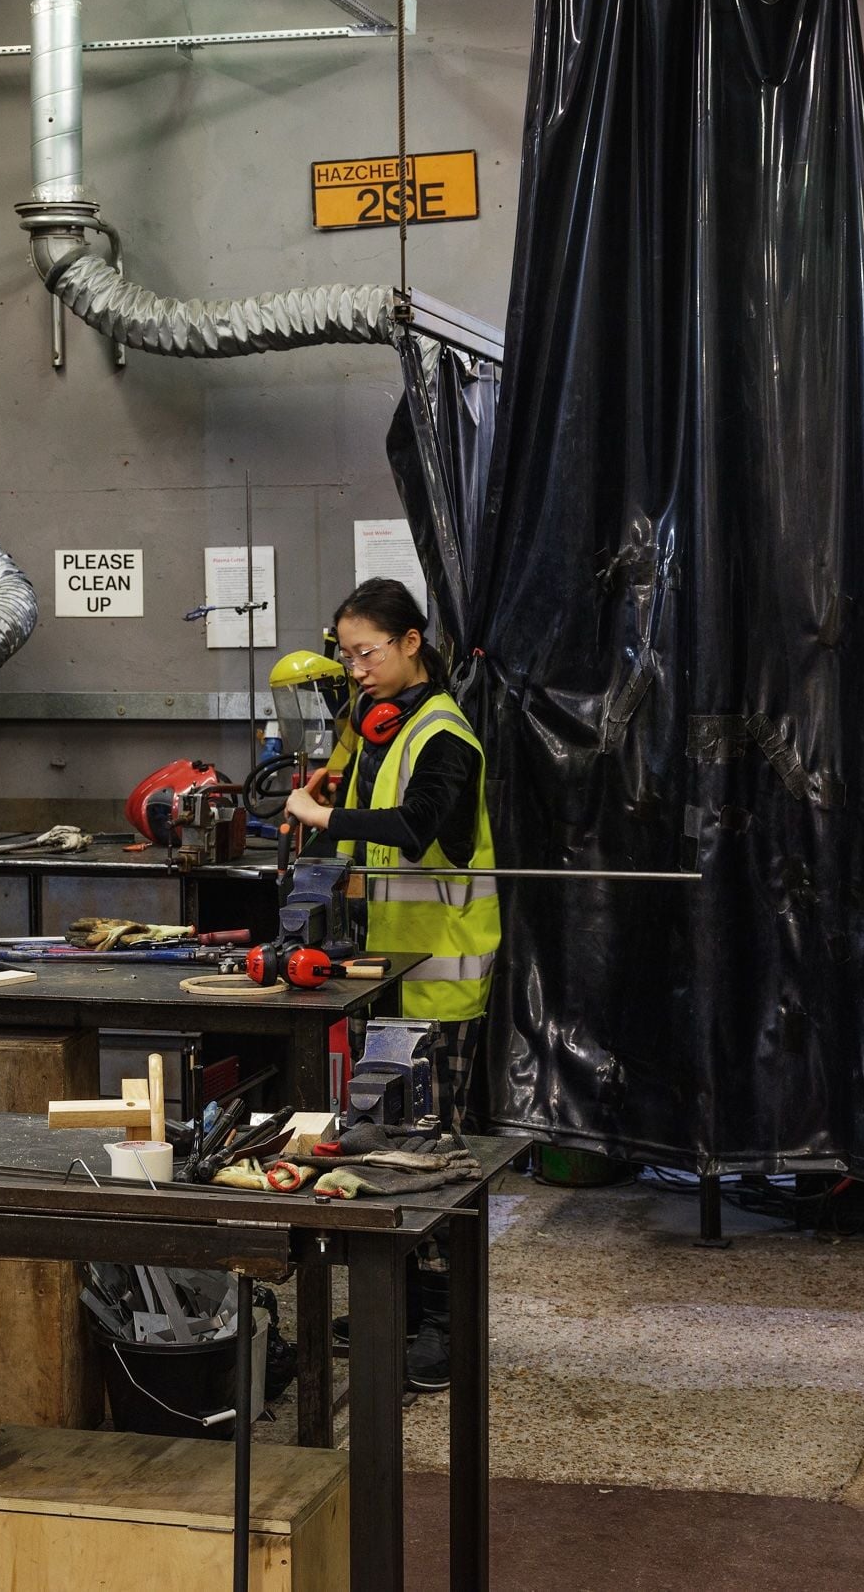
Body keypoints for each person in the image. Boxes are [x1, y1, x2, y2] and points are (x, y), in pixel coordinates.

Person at [283, 575, 497, 1392]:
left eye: (367, 651)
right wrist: (338, 787)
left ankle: (442, 1329)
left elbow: (413, 832)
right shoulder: (377, 729)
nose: (355, 666)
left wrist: (322, 818)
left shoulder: (447, 736)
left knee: (432, 1157)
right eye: (346, 652)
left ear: (412, 643)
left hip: (440, 972)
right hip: (384, 974)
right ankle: (397, 1310)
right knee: (381, 1149)